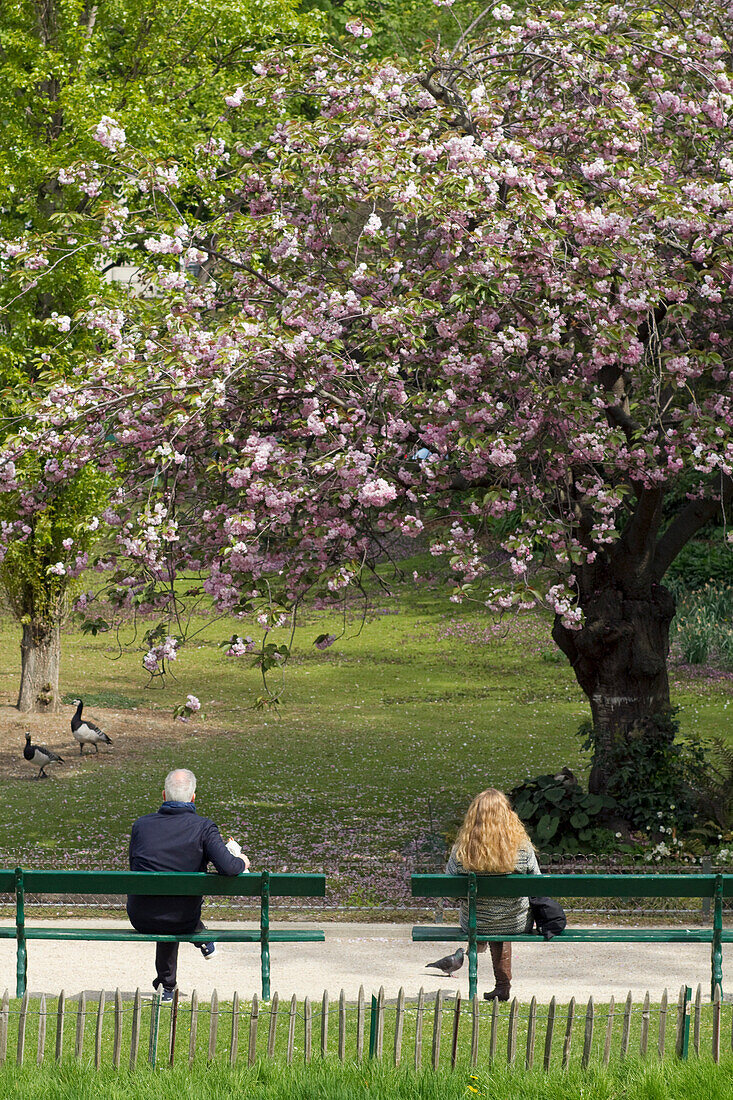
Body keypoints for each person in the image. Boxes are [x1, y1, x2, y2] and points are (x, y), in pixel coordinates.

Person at [127, 768, 249, 1001]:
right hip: (183, 918)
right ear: (193, 798)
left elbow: (135, 866)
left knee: (166, 902)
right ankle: (198, 940)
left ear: (164, 795)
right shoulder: (203, 827)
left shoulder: (141, 826)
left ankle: (166, 986)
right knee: (176, 910)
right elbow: (229, 868)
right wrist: (242, 861)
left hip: (141, 916)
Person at [445, 788, 539, 1002]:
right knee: (501, 920)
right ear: (508, 815)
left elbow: (450, 893)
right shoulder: (522, 848)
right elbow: (537, 884)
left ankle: (477, 953)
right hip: (515, 921)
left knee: (486, 920)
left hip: (474, 922)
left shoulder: (462, 850)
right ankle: (502, 985)